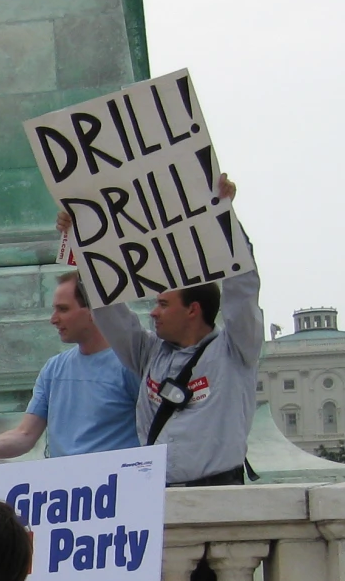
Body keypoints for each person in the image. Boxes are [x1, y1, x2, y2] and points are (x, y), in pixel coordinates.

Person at [83, 175, 261, 488]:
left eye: (163, 304)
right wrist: (82, 238)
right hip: (155, 494)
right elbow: (108, 310)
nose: (153, 312)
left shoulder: (235, 350)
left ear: (193, 310)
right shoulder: (148, 354)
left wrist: (226, 218)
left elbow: (241, 289)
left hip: (217, 494)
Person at [0, 271, 140, 460]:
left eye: (63, 309)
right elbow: (24, 435)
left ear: (94, 311)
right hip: (67, 486)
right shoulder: (54, 369)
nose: (53, 319)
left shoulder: (130, 364)